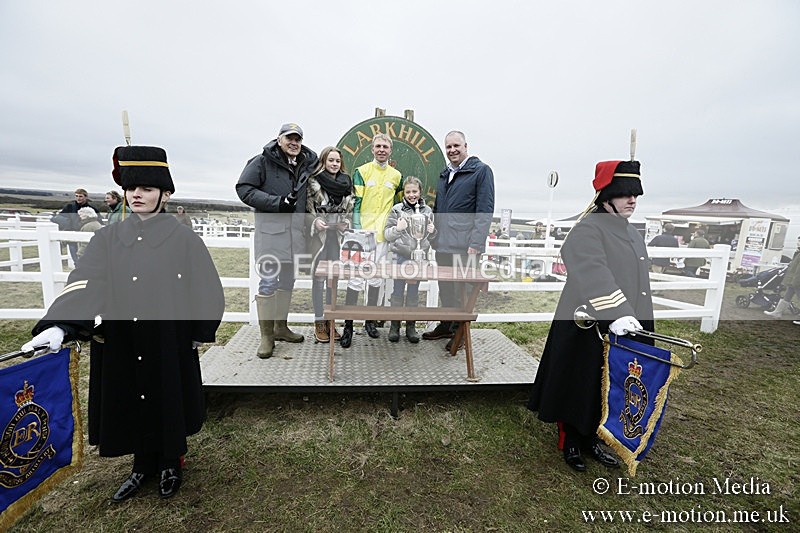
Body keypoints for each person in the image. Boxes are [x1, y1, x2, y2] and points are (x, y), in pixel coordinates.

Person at [21, 145, 225, 502]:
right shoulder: (108, 238)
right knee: (133, 396)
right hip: (123, 337)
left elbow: (206, 286)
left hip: (168, 337)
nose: (137, 195)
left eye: (146, 188)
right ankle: (141, 466)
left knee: (166, 396)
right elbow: (85, 280)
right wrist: (60, 324)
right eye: (132, 188)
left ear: (165, 193)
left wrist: (200, 330)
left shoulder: (184, 239)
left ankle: (170, 463)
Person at [527, 159, 654, 473]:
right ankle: (570, 439)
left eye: (635, 194)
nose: (632, 200)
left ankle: (592, 436)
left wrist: (636, 320)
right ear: (607, 196)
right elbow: (591, 269)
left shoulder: (631, 232)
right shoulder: (588, 228)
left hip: (624, 325)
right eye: (625, 193)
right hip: (586, 323)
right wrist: (617, 312)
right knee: (579, 381)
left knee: (607, 383)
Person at [236, 123, 318, 358]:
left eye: (298, 139)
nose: (294, 143)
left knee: (288, 282)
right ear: (279, 139)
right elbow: (244, 189)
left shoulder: (305, 165)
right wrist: (277, 203)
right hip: (272, 236)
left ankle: (281, 328)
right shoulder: (261, 162)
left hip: (295, 236)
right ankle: (266, 336)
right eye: (289, 138)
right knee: (268, 283)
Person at [424, 130, 495, 351]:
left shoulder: (481, 171)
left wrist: (476, 244)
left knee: (462, 291)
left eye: (457, 146)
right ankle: (446, 325)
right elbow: (439, 208)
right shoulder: (445, 174)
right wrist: (434, 236)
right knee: (445, 288)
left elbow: (484, 210)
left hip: (465, 246)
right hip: (443, 243)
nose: (452, 150)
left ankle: (460, 333)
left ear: (466, 146)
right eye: (449, 147)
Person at [339, 133, 403, 348]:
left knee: (375, 279)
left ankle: (370, 321)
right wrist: (358, 230)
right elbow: (356, 203)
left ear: (390, 150)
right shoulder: (362, 171)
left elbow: (399, 205)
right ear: (372, 149)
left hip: (383, 237)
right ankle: (348, 326)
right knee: (355, 280)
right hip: (362, 236)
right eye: (378, 146)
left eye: (385, 146)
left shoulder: (396, 176)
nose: (381, 150)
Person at [306, 146, 356, 343]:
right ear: (324, 162)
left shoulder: (346, 183)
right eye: (331, 160)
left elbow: (349, 211)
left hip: (336, 239)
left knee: (332, 281)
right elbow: (306, 210)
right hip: (319, 239)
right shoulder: (313, 182)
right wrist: (315, 222)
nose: (334, 164)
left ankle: (330, 321)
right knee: (319, 280)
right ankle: (319, 322)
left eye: (337, 161)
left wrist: (346, 223)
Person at [383, 176, 436, 343]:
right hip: (400, 256)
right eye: (408, 192)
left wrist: (432, 231)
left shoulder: (427, 211)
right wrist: (398, 229)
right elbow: (387, 234)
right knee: (397, 291)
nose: (412, 195)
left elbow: (431, 237)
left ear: (420, 192)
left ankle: (411, 327)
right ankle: (395, 326)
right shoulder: (397, 210)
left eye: (415, 191)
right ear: (403, 193)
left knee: (413, 292)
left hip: (419, 258)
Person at [55, 188, 101, 263]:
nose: (78, 198)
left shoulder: (92, 209)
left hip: (86, 239)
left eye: (80, 196)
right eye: (76, 196)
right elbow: (59, 218)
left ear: (86, 197)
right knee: (76, 261)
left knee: (85, 260)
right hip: (72, 239)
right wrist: (68, 224)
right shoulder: (69, 207)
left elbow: (98, 221)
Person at [765, 236, 800, 321]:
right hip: (793, 279)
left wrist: (795, 280)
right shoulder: (798, 252)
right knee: (787, 295)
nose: (797, 243)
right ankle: (777, 312)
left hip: (797, 280)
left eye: (799, 241)